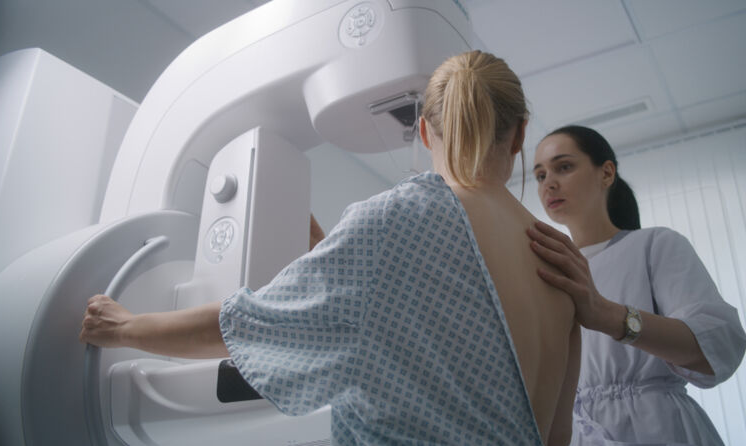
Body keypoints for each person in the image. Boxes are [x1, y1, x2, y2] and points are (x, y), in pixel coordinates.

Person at [81, 50, 580, 445]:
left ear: (425, 132)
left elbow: (246, 325)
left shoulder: (395, 221)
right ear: (520, 135)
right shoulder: (563, 259)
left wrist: (125, 327)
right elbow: (554, 432)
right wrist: (334, 255)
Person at [527, 125, 746, 445]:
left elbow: (718, 347)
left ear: (606, 173)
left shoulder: (655, 245)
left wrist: (606, 315)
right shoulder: (545, 274)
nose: (549, 183)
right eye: (540, 175)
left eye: (564, 167)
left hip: (659, 429)